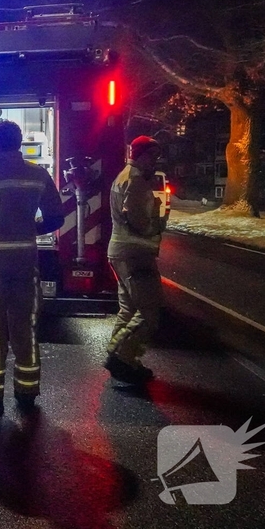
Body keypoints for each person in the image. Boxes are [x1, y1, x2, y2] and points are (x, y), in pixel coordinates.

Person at [0, 119, 64, 420]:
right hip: (26, 261)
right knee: (25, 326)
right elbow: (56, 217)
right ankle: (27, 391)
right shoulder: (38, 173)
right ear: (19, 143)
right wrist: (30, 228)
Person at [104, 135, 168, 384]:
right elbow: (141, 223)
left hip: (120, 251)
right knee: (149, 310)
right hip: (136, 254)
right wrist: (159, 223)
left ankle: (120, 357)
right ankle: (122, 357)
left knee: (129, 309)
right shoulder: (137, 182)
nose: (155, 161)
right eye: (153, 156)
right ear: (140, 155)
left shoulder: (123, 177)